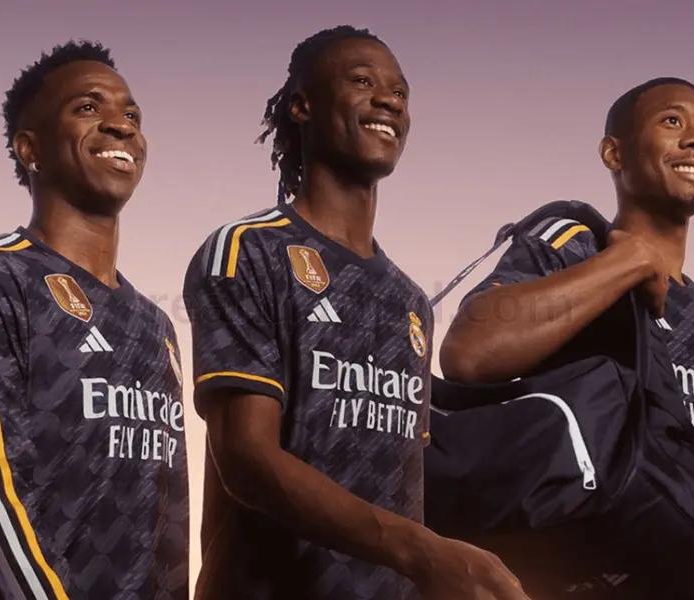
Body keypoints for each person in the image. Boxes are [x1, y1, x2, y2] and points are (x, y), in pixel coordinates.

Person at [183, 25, 526, 600]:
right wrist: (422, 551)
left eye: (401, 91)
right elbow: (246, 458)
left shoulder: (411, 301)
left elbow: (402, 487)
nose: (389, 99)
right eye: (363, 81)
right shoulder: (248, 251)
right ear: (302, 105)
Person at [441, 77, 694, 599]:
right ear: (614, 152)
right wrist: (628, 260)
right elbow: (468, 352)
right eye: (673, 121)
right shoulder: (572, 247)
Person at [0, 41, 188, 600]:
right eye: (89, 108)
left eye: (132, 115)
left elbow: (170, 519)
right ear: (30, 149)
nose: (120, 126)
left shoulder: (157, 328)